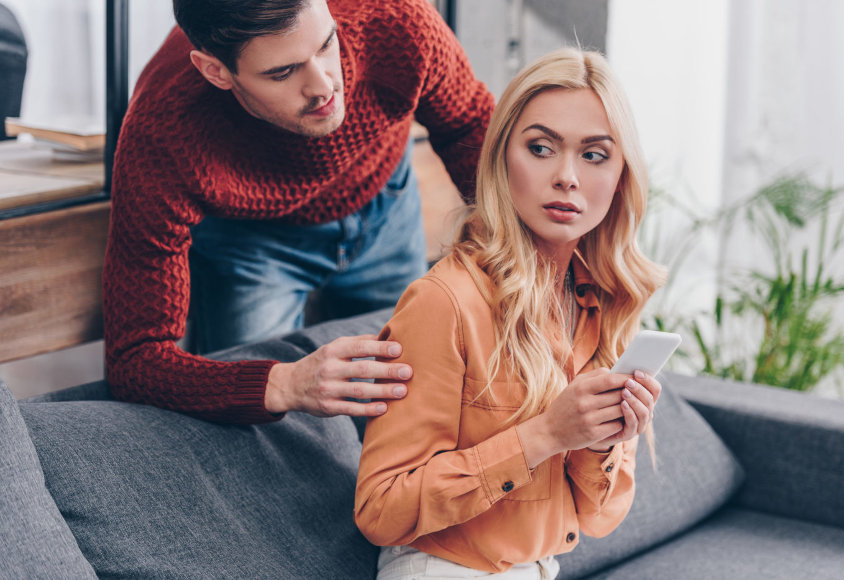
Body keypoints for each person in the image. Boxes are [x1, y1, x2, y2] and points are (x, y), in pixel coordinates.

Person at [102, 0, 493, 424]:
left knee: (414, 396)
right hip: (251, 241)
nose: (323, 86)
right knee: (268, 430)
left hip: (385, 203)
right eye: (283, 72)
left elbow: (470, 126)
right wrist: (284, 385)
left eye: (326, 44)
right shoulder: (164, 133)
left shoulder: (399, 21)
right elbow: (134, 360)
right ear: (216, 71)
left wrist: (516, 254)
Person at [354, 48, 667, 578]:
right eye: (541, 148)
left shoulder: (607, 306)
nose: (567, 177)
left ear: (621, 177)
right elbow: (381, 510)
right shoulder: (443, 302)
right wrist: (545, 435)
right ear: (502, 158)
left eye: (595, 155)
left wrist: (600, 442)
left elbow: (598, 519)